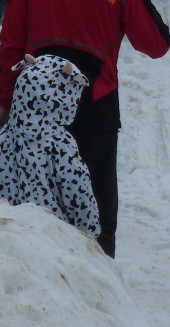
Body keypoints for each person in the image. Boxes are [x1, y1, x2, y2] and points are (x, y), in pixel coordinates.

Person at [0, 0, 170, 257]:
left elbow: (10, 43)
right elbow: (156, 44)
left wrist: (3, 102)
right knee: (94, 213)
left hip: (30, 110)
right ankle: (97, 279)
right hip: (93, 111)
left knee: (30, 206)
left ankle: (36, 275)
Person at [0, 54, 101, 239]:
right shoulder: (60, 146)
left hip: (7, 235)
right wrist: (88, 234)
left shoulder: (4, 137)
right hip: (52, 238)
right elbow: (77, 190)